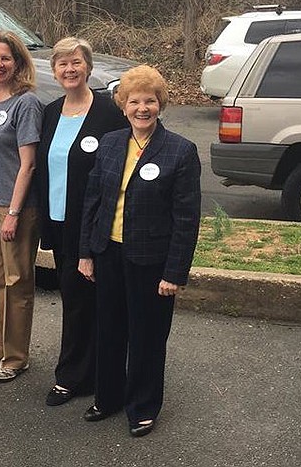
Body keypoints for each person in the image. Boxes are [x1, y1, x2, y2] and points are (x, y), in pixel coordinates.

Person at [78, 65, 201, 437]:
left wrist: (174, 273)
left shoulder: (180, 151)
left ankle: (143, 405)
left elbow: (186, 219)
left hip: (152, 261)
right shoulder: (112, 143)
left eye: (149, 101)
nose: (142, 108)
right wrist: (86, 253)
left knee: (147, 336)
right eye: (134, 101)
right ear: (123, 105)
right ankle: (109, 396)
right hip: (109, 252)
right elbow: (93, 200)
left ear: (160, 104)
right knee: (110, 329)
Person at [36, 37, 128, 405]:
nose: (69, 70)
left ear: (88, 67)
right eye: (62, 64)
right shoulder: (51, 111)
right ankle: (80, 373)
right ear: (54, 70)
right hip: (59, 224)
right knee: (74, 298)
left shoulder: (109, 113)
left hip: (96, 225)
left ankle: (81, 376)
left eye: (76, 62)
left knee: (97, 301)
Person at [0, 30, 43, 383]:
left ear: (18, 63)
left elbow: (28, 164)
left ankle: (17, 357)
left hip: (15, 207)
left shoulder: (25, 102)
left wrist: (14, 213)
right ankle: (2, 347)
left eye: (5, 58)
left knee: (18, 280)